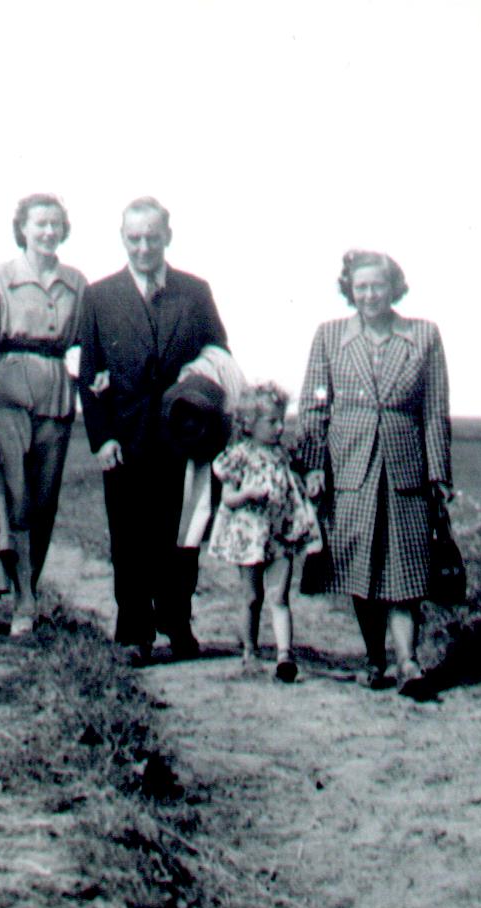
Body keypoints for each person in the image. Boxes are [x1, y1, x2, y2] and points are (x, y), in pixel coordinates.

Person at [78, 196, 228, 665]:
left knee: (181, 536)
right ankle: (134, 632)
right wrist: (102, 438)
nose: (143, 248)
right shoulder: (99, 296)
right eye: (134, 238)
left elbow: (219, 354)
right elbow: (88, 372)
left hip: (183, 436)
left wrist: (196, 385)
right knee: (129, 537)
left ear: (168, 237)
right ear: (123, 239)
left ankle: (178, 623)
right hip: (125, 438)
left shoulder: (194, 292)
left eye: (152, 238)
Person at [297, 249, 452, 688]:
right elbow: (312, 407)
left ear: (393, 288)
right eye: (360, 287)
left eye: (377, 286)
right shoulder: (330, 336)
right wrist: (314, 467)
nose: (369, 295)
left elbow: (435, 410)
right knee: (360, 566)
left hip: (406, 470)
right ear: (349, 290)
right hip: (350, 468)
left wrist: (438, 474)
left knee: (406, 567)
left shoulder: (423, 335)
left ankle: (409, 663)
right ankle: (374, 660)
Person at [0, 194, 87, 637]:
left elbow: (85, 344)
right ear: (22, 228)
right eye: (40, 224)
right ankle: (23, 601)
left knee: (43, 502)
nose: (48, 232)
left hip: (56, 391)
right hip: (7, 391)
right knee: (15, 499)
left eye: (55, 224)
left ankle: (29, 588)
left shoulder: (76, 282)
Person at [208, 382, 323, 683]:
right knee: (251, 596)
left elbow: (293, 485)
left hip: (279, 534)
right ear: (249, 423)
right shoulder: (238, 456)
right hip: (249, 537)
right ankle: (250, 651)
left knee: (280, 595)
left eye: (281, 420)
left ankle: (285, 655)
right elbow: (227, 498)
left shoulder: (283, 454)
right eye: (271, 421)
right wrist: (247, 494)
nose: (279, 428)